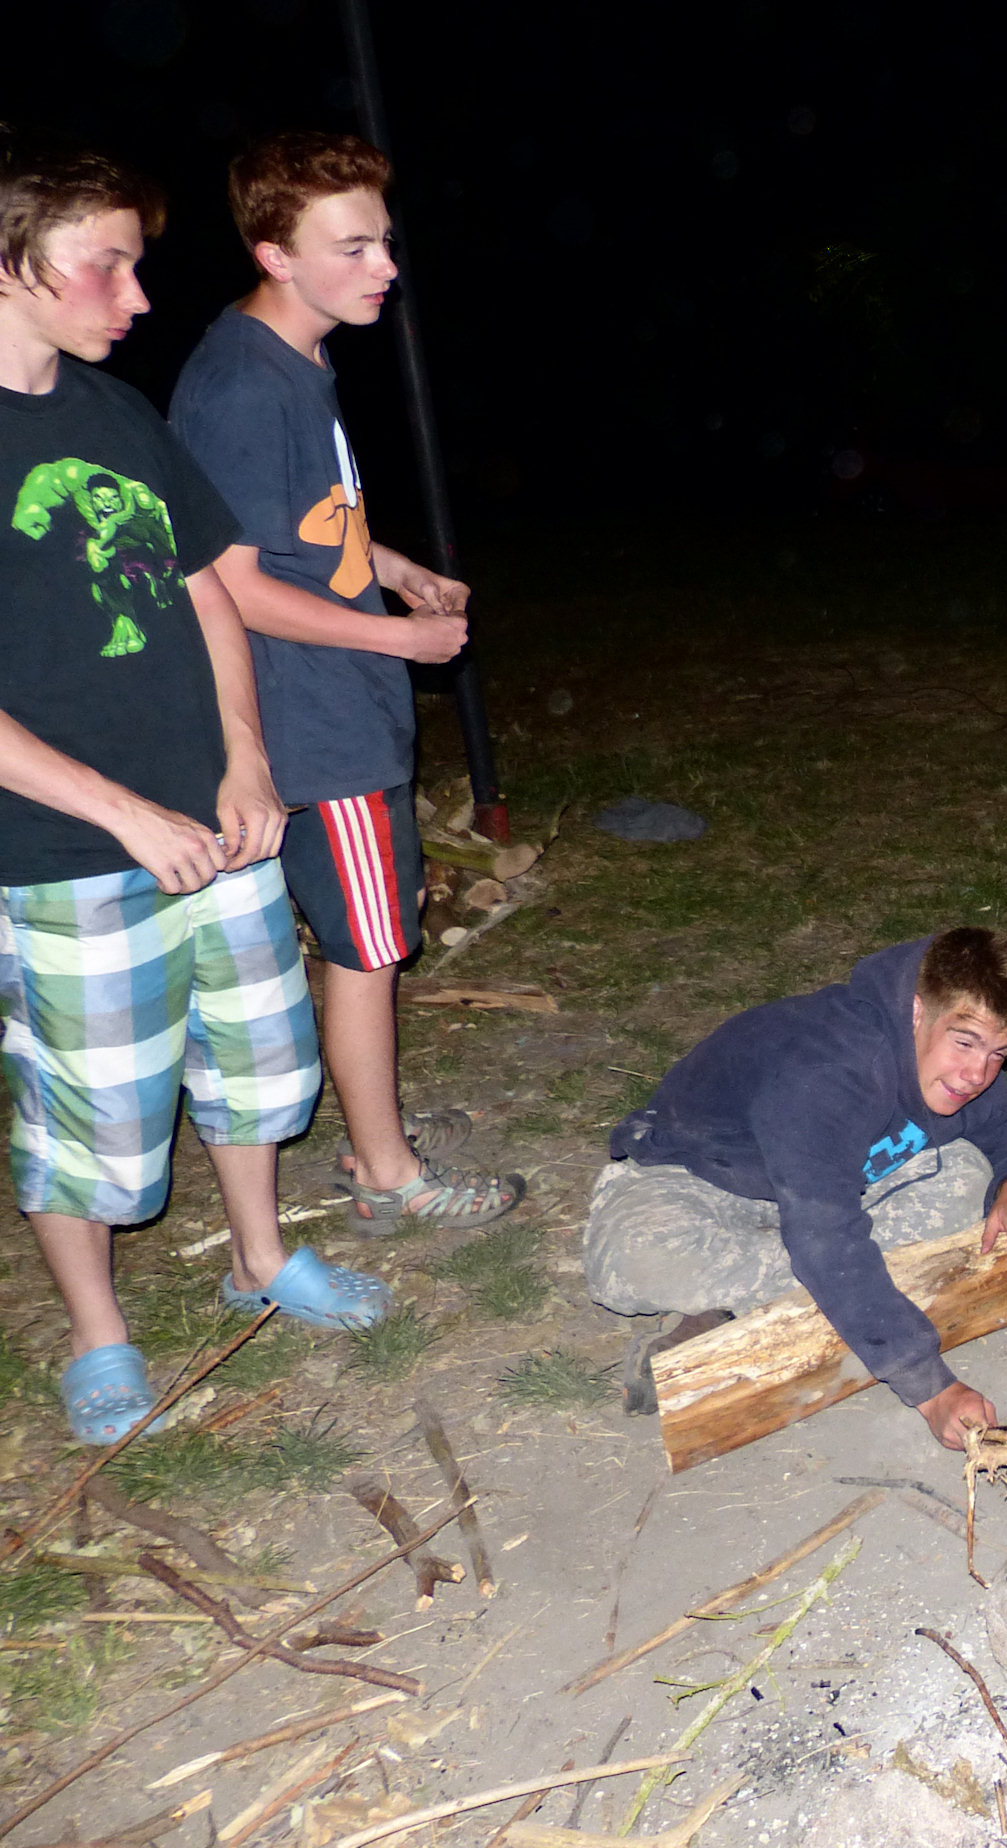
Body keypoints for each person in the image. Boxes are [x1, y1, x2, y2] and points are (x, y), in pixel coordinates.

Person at [0, 131, 392, 1445]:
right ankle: (99, 1336)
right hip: (64, 850)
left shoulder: (116, 415)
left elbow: (209, 592)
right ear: (7, 262)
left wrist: (245, 762)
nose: (136, 295)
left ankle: (261, 1256)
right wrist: (121, 813)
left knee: (256, 1065)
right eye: (103, 265)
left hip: (214, 823)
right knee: (95, 1115)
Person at [169, 132, 522, 1235]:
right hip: (314, 720)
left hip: (328, 702)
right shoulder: (245, 385)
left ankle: (376, 1131)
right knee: (369, 949)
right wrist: (394, 642)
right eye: (353, 247)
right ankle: (385, 1169)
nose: (386, 268)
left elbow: (301, 535)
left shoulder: (295, 358)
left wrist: (397, 570)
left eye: (384, 241)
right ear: (275, 254)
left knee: (366, 939)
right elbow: (232, 586)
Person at [582, 928, 1007, 1447]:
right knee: (635, 1262)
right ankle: (832, 1285)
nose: (976, 1074)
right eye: (964, 1043)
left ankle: (775, 1298)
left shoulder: (965, 1072)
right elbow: (825, 1236)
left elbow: (989, 1135)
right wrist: (931, 1388)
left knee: (968, 1180)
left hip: (832, 1183)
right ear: (916, 1012)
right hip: (704, 1177)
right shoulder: (828, 1069)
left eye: (999, 1053)